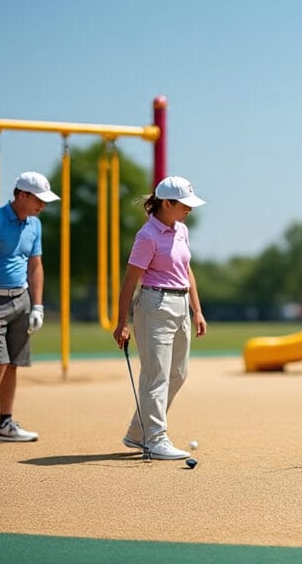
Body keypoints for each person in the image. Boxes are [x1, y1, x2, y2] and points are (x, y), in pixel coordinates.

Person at [112, 176, 207, 460]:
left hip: (181, 306)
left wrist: (197, 310)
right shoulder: (147, 236)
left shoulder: (182, 230)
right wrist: (121, 322)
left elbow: (187, 271)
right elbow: (130, 281)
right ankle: (155, 439)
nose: (190, 209)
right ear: (167, 203)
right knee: (156, 376)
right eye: (185, 204)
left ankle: (138, 433)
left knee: (178, 374)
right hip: (155, 305)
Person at [0, 171, 59, 448]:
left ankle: (5, 423)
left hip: (22, 300)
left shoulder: (35, 224)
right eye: (38, 200)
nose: (42, 205)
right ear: (22, 195)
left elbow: (35, 265)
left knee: (13, 364)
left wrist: (38, 306)